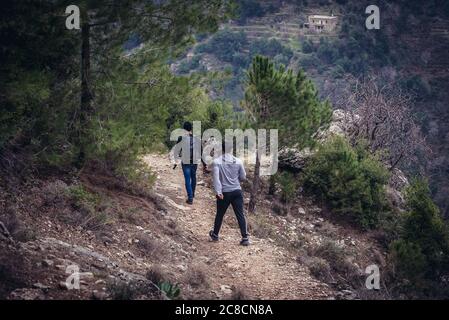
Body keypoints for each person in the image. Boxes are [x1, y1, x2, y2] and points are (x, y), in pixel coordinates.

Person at [209, 140, 250, 246]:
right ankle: (245, 237)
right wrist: (235, 180)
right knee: (240, 214)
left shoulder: (217, 161)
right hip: (237, 191)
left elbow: (216, 179)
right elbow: (243, 177)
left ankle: (215, 235)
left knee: (220, 214)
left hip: (224, 192)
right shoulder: (238, 161)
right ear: (232, 149)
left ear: (222, 148)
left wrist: (218, 191)